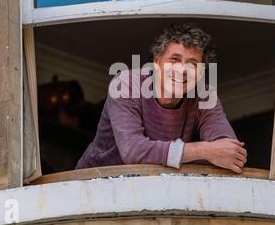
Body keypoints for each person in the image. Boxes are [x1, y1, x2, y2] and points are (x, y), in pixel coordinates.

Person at [76, 23, 247, 173]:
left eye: (192, 64)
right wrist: (206, 151)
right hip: (92, 185)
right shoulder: (127, 84)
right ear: (156, 62)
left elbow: (231, 153)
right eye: (174, 60)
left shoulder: (204, 97)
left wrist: (213, 152)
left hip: (151, 189)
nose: (182, 70)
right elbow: (133, 151)